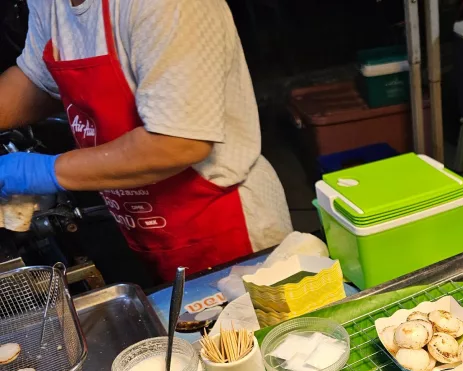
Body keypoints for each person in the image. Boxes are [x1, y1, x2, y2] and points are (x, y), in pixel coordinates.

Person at [0, 0, 293, 281]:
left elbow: (177, 142)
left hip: (225, 226)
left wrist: (42, 172)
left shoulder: (165, 4)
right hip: (147, 228)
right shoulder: (50, 3)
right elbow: (38, 81)